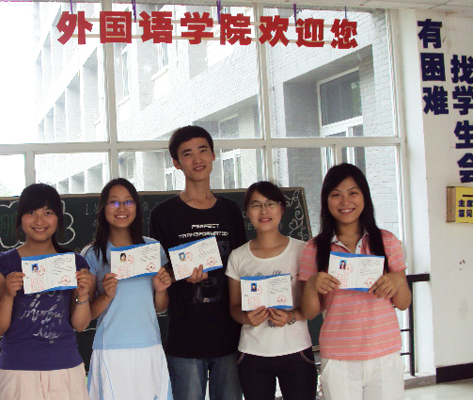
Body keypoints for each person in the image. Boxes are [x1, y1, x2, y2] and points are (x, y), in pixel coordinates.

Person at [150, 125, 246, 400]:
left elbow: (242, 266)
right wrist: (178, 274)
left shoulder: (230, 210)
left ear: (213, 155)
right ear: (176, 163)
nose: (197, 159)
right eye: (187, 153)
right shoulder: (163, 214)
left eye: (203, 150)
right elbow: (160, 273)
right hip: (184, 337)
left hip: (230, 336)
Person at [299, 163, 412, 400]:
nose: (345, 201)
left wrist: (397, 279)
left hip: (384, 353)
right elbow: (310, 312)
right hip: (338, 357)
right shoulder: (314, 248)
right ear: (326, 200)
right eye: (336, 194)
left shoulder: (387, 241)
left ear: (364, 197)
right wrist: (311, 285)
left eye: (353, 193)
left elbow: (403, 303)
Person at [0, 183, 94, 400]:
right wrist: (8, 295)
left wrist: (82, 295)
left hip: (65, 368)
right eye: (31, 213)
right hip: (17, 370)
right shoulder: (5, 264)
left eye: (48, 213)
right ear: (20, 218)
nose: (39, 221)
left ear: (58, 218)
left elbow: (80, 325)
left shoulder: (74, 263)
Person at [82, 178, 172, 400]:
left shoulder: (152, 249)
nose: (121, 208)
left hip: (149, 345)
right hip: (110, 349)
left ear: (136, 207)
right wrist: (106, 295)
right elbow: (88, 314)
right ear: (103, 208)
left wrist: (161, 289)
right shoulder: (93, 254)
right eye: (114, 202)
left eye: (128, 202)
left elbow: (160, 308)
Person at [226, 181, 317, 400]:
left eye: (270, 204)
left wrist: (291, 316)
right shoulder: (238, 256)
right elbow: (234, 307)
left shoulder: (302, 251)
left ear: (281, 208)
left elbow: (314, 307)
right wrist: (247, 318)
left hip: (296, 351)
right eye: (256, 205)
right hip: (252, 354)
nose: (264, 210)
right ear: (247, 212)